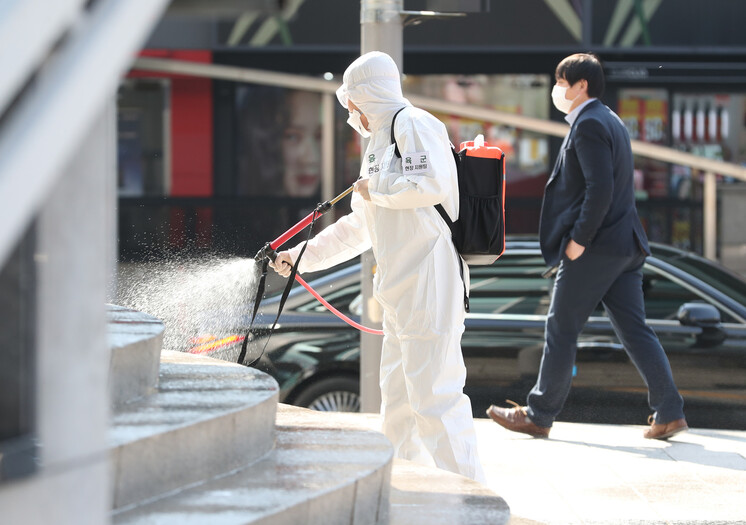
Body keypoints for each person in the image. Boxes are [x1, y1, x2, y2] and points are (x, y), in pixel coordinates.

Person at [270, 51, 486, 482]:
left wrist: (376, 186)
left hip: (430, 283)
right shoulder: (377, 147)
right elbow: (358, 228)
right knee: (400, 407)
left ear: (366, 95)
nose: (349, 111)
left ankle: (470, 500)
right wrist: (300, 258)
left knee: (436, 401)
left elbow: (431, 184)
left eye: (351, 101)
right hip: (401, 294)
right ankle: (406, 488)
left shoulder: (414, 124)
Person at [487, 53, 688, 441]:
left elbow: (600, 189)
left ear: (582, 86)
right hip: (624, 245)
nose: (557, 89)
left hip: (596, 247)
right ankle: (669, 411)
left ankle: (540, 413)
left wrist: (579, 239)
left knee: (561, 326)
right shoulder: (609, 120)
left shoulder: (590, 124)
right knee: (634, 329)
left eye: (562, 82)